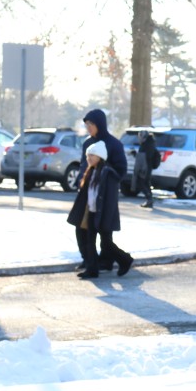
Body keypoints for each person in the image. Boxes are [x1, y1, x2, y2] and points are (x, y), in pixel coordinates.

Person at [67, 140, 133, 278]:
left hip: (104, 214)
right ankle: (92, 269)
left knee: (106, 244)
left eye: (92, 155)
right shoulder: (91, 171)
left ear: (100, 157)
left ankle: (125, 260)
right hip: (93, 212)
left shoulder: (108, 173)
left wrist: (105, 217)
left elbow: (110, 199)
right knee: (90, 241)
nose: (89, 158)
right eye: (87, 155)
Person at [76, 109, 129, 272]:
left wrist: (106, 175)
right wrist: (81, 179)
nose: (88, 128)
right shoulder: (87, 143)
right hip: (88, 193)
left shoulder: (114, 144)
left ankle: (107, 261)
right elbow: (83, 165)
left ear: (99, 124)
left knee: (105, 230)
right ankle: (88, 260)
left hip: (106, 195)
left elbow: (121, 169)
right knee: (82, 228)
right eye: (86, 125)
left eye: (91, 124)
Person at [132, 130, 159, 208]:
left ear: (144, 137)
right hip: (146, 167)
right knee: (146, 183)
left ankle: (149, 199)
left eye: (140, 136)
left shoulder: (147, 144)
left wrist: (137, 155)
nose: (139, 138)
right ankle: (149, 200)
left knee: (141, 183)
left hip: (145, 167)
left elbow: (146, 156)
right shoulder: (148, 143)